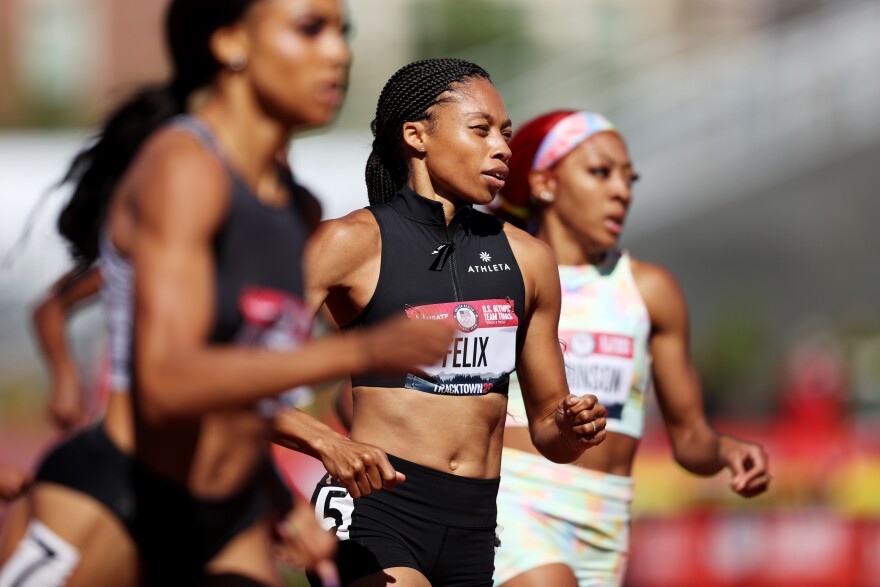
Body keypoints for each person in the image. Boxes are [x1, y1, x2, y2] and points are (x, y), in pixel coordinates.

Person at [0, 1, 456, 585]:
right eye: (309, 29)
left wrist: (279, 499)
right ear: (231, 42)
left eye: (344, 32)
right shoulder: (183, 169)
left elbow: (245, 390)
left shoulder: (298, 206)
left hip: (229, 512)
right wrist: (362, 352)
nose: (338, 51)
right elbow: (167, 382)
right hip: (123, 499)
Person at [289, 58, 608, 587]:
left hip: (474, 525)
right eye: (480, 130)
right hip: (376, 509)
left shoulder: (529, 259)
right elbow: (235, 371)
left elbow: (552, 431)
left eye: (505, 134)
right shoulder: (349, 243)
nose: (503, 147)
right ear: (415, 136)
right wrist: (328, 442)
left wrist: (574, 428)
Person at [489, 110, 771, 587]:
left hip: (608, 521)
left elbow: (689, 439)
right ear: (544, 183)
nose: (622, 190)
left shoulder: (650, 291)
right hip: (514, 503)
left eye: (628, 178)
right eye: (600, 172)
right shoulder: (498, 271)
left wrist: (725, 449)